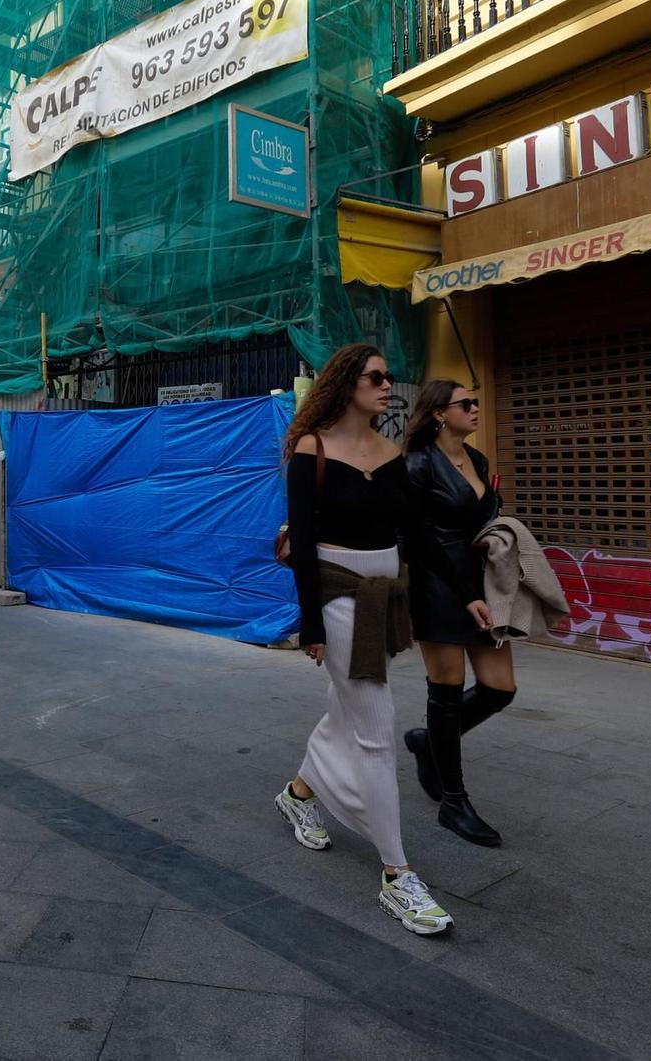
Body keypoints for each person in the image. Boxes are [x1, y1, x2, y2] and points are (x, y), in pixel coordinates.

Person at [273, 344, 452, 937]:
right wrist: (313, 626)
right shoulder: (311, 449)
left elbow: (416, 532)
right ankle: (397, 875)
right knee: (375, 728)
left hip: (384, 598)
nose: (386, 386)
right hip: (337, 593)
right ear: (348, 383)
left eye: (389, 376)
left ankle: (300, 793)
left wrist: (466, 591)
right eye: (376, 377)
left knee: (343, 710)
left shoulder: (391, 452)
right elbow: (301, 539)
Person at [400, 380, 508, 849]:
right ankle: (453, 802)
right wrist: (463, 591)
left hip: (481, 583)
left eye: (476, 402)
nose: (476, 409)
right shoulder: (418, 463)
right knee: (445, 691)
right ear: (440, 413)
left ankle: (429, 743)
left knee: (499, 688)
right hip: (438, 585)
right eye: (467, 403)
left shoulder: (477, 460)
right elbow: (419, 539)